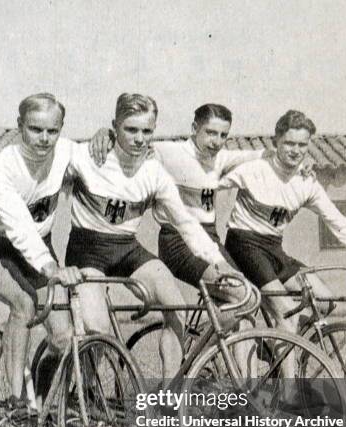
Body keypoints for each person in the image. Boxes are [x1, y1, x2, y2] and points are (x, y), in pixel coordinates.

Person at [65, 93, 230, 380]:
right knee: (98, 330)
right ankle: (87, 391)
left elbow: (186, 223)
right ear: (114, 126)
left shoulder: (154, 171)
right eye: (131, 129)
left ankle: (169, 395)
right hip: (87, 251)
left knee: (176, 308)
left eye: (147, 131)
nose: (140, 138)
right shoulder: (85, 156)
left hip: (127, 249)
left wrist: (219, 264)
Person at [0, 93, 83, 419]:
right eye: (36, 129)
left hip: (40, 246)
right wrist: (50, 266)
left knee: (63, 338)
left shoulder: (66, 152)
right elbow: (20, 229)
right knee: (23, 304)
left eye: (53, 130)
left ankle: (39, 406)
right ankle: (17, 399)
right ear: (19, 126)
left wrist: (105, 136)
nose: (45, 139)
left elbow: (96, 158)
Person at [222, 109, 346, 339]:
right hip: (244, 245)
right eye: (289, 143)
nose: (296, 151)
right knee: (287, 315)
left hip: (273, 248)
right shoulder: (254, 170)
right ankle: (286, 364)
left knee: (325, 302)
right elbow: (208, 182)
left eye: (302, 145)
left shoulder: (306, 182)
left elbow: (335, 219)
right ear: (276, 142)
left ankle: (276, 343)